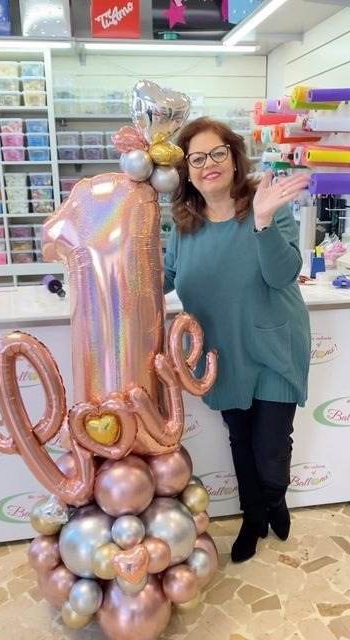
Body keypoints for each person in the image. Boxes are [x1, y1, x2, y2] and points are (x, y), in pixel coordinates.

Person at [163, 117, 311, 563]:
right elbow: (164, 279)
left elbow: (283, 274)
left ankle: (274, 498)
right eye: (197, 158)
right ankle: (252, 516)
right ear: (186, 171)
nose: (208, 164)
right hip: (219, 354)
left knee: (270, 445)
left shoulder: (266, 205)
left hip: (273, 346)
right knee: (240, 442)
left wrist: (263, 222)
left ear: (233, 155)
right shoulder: (184, 225)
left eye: (217, 153)